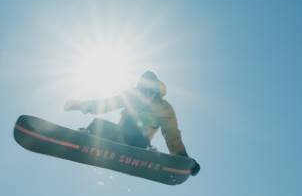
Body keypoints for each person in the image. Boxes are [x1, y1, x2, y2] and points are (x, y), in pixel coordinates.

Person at [64, 71, 200, 175]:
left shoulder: (164, 108)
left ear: (157, 91)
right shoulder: (131, 96)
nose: (146, 94)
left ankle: (144, 150)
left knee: (138, 127)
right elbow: (105, 104)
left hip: (139, 142)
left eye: (150, 90)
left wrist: (183, 160)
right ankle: (88, 136)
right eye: (143, 89)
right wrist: (79, 105)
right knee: (99, 124)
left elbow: (172, 135)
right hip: (119, 136)